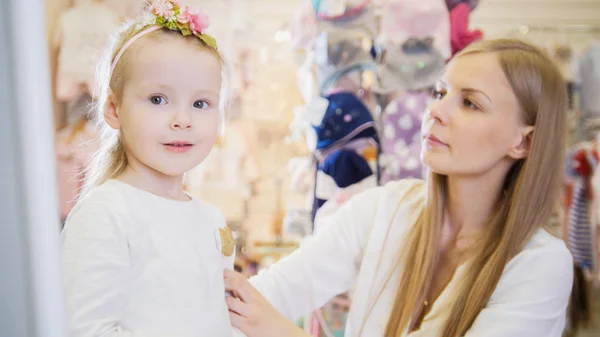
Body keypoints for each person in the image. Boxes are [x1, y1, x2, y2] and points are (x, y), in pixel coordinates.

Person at [224, 38, 575, 337]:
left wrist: (278, 328)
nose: (436, 109)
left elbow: (263, 314)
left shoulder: (539, 265)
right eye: (440, 92)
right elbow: (271, 293)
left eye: (470, 103)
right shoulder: (381, 209)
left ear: (523, 142)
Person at [61, 1, 238, 336]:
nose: (182, 120)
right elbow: (83, 329)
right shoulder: (106, 213)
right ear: (113, 108)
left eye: (201, 103)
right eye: (158, 99)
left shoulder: (211, 218)